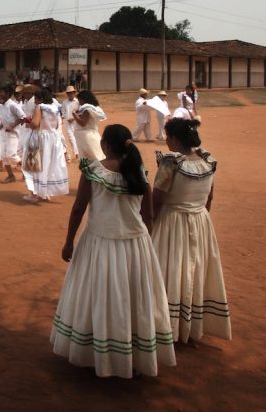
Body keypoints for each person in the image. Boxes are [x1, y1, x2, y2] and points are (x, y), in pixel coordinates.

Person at [50, 124, 176, 377]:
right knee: (131, 298)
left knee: (98, 295)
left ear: (105, 145)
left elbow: (78, 209)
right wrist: (145, 244)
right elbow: (147, 215)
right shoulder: (139, 172)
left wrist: (69, 241)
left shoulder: (94, 171)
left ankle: (97, 352)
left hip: (100, 243)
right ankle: (131, 353)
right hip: (135, 244)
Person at [151, 118, 231, 344]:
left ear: (175, 139)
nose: (166, 141)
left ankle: (166, 325)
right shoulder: (207, 161)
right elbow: (210, 197)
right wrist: (200, 217)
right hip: (199, 221)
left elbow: (157, 200)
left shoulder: (171, 164)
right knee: (193, 271)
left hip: (171, 222)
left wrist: (148, 226)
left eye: (168, 137)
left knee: (170, 269)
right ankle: (189, 324)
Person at [20, 88, 70, 203]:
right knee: (48, 166)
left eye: (36, 99)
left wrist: (28, 123)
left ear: (40, 99)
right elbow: (57, 125)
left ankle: (34, 194)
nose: (35, 101)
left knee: (33, 166)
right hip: (53, 139)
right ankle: (45, 193)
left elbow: (35, 124)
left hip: (39, 138)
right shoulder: (56, 108)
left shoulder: (40, 107)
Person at [0, 90, 22, 183]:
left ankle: (28, 170)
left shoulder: (13, 105)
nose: (0, 98)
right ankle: (11, 176)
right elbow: (3, 120)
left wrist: (12, 126)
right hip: (3, 133)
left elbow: (22, 117)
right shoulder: (0, 106)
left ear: (7, 95)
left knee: (11, 154)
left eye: (2, 96)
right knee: (3, 156)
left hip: (13, 133)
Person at [73, 90, 108, 161]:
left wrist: (74, 114)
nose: (79, 102)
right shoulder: (95, 108)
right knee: (95, 157)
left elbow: (83, 123)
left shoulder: (86, 108)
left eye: (79, 100)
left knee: (93, 158)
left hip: (87, 136)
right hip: (90, 134)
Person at [60, 85, 80, 159]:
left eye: (71, 93)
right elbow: (63, 112)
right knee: (71, 138)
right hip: (68, 123)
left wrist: (73, 118)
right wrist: (64, 117)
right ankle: (76, 153)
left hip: (76, 122)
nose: (70, 94)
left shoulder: (77, 102)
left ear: (74, 93)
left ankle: (78, 152)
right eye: (68, 93)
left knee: (77, 138)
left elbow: (80, 112)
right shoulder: (64, 102)